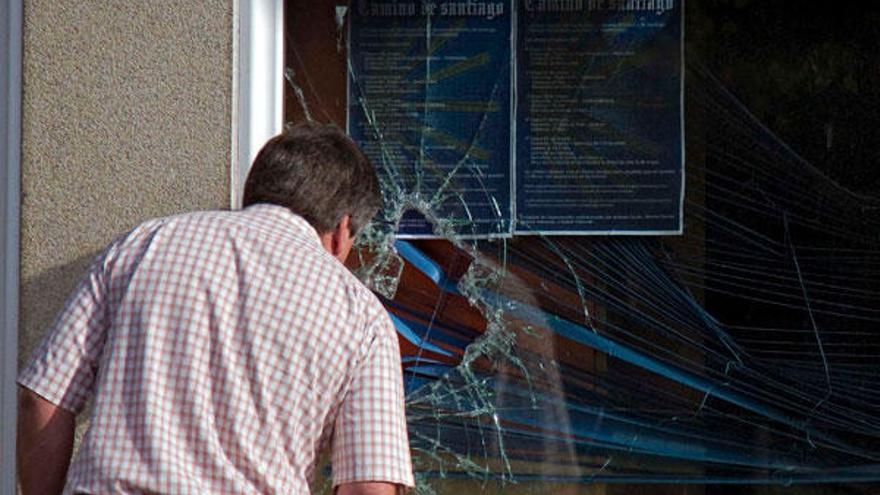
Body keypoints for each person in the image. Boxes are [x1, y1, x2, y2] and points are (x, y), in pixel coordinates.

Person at [17, 124, 414, 495]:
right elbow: (368, 487)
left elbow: (42, 400)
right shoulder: (361, 316)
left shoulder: (144, 245)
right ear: (343, 230)